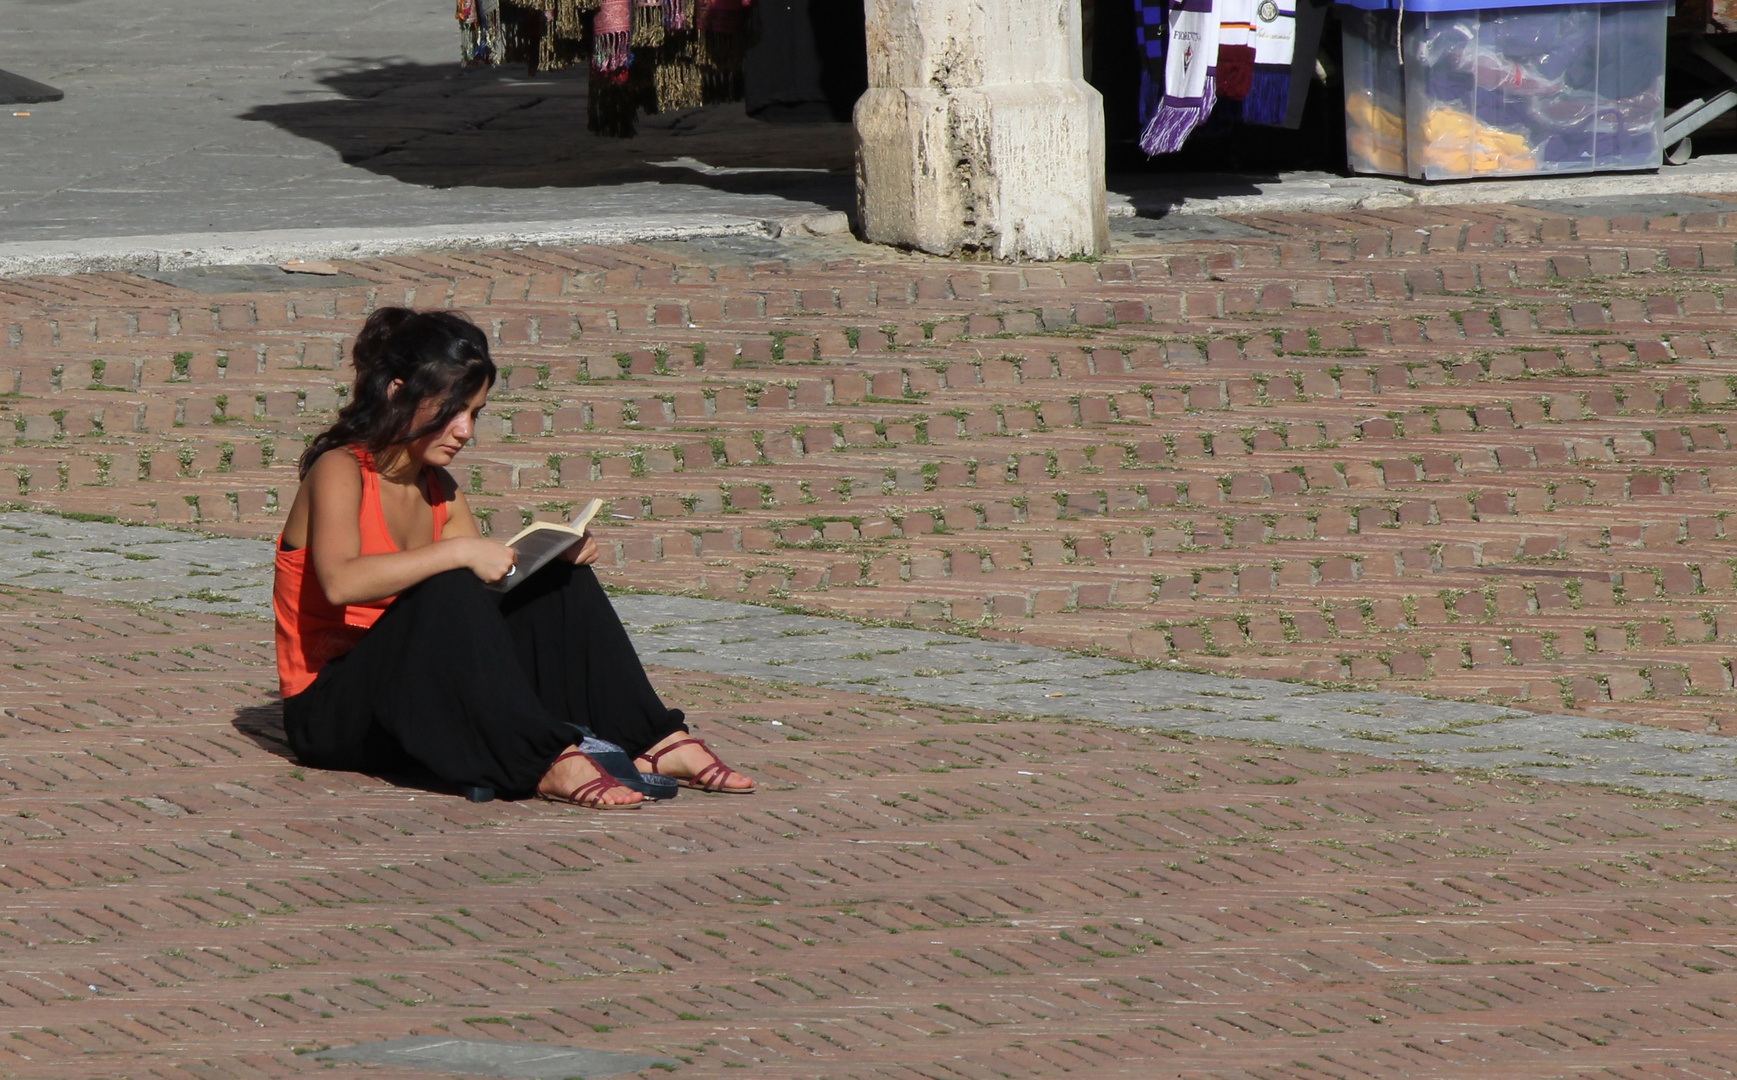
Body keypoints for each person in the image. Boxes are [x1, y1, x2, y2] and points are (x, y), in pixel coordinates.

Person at [272, 307, 756, 808]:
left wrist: (546, 563)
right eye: (451, 410)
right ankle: (545, 760)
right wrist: (458, 551)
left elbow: (479, 612)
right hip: (333, 713)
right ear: (398, 391)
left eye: (475, 413)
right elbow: (341, 582)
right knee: (451, 577)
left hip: (417, 694)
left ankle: (653, 740)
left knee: (560, 583)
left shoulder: (440, 488)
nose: (465, 431)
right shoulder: (340, 469)